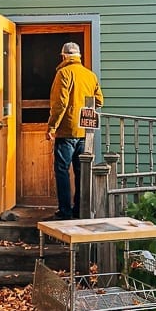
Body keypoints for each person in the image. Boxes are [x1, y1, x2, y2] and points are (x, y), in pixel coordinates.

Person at [46, 42, 104, 219]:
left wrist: (51, 127)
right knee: (81, 171)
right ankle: (80, 209)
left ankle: (65, 212)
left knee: (62, 170)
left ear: (64, 56)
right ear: (78, 57)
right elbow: (99, 101)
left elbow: (60, 104)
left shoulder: (63, 73)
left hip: (66, 132)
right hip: (85, 133)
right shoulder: (90, 75)